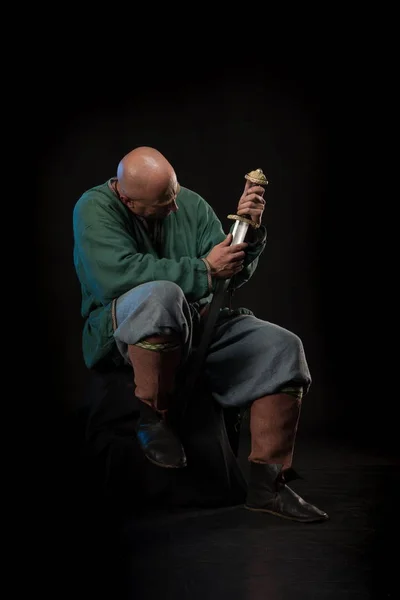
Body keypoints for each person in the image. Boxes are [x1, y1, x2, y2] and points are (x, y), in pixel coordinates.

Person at [72, 146, 328, 523]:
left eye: (174, 193)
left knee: (281, 348)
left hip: (197, 321)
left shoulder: (187, 203)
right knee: (162, 295)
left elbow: (230, 274)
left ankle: (268, 486)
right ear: (126, 198)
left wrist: (248, 235)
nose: (175, 208)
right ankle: (154, 420)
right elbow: (116, 277)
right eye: (163, 202)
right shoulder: (93, 209)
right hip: (122, 327)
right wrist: (204, 271)